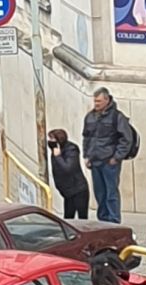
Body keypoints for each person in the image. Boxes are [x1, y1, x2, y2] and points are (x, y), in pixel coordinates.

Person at [82, 87, 133, 225]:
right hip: (95, 160)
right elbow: (86, 137)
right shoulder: (90, 117)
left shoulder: (117, 117)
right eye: (95, 101)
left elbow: (126, 139)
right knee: (100, 193)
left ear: (107, 99)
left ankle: (114, 220)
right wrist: (86, 156)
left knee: (111, 193)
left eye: (99, 101)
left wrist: (116, 157)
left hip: (109, 161)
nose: (96, 104)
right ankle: (103, 220)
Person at [48, 129, 90, 220]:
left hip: (78, 190)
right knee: (68, 218)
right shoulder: (56, 149)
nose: (50, 142)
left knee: (82, 219)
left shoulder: (71, 150)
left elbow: (68, 168)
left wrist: (58, 156)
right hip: (67, 192)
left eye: (52, 139)